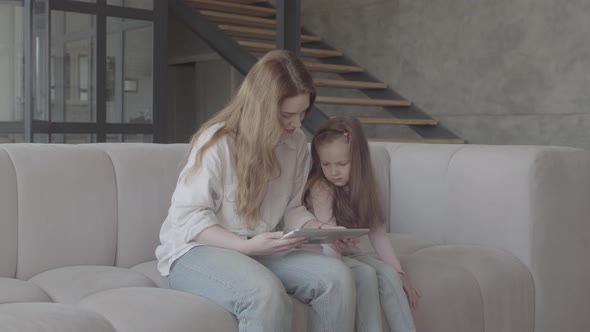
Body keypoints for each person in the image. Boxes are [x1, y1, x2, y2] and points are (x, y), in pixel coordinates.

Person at [155, 50, 355, 332]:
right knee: (265, 294)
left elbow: (293, 210)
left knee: (337, 278)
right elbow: (189, 218)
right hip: (197, 250)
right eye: (287, 114)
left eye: (302, 113)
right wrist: (244, 247)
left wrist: (324, 231)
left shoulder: (296, 143)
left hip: (259, 247)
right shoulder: (217, 142)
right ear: (261, 107)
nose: (297, 124)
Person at [303, 116, 419, 332]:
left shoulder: (366, 186)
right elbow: (329, 243)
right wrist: (338, 278)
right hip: (319, 252)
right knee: (364, 275)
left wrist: (399, 272)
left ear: (358, 160)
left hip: (347, 251)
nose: (333, 172)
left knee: (390, 275)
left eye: (342, 164)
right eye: (326, 164)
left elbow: (378, 233)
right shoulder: (321, 188)